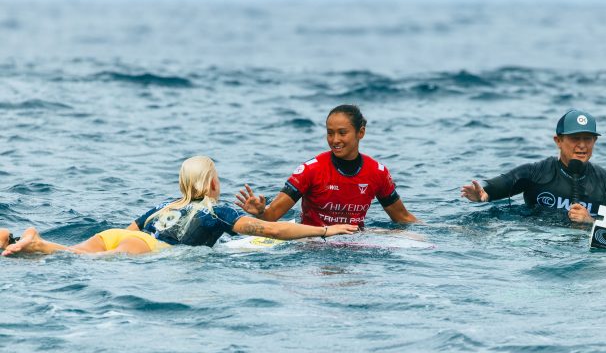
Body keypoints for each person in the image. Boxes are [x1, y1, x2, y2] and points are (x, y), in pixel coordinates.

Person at [1, 156, 358, 256]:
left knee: (69, 254)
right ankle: (33, 243)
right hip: (150, 247)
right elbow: (272, 229)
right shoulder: (217, 210)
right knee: (89, 262)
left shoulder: (160, 206)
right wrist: (326, 230)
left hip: (116, 234)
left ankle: (20, 241)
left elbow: (127, 232)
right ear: (212, 183)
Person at [236, 104, 419, 228]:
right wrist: (260, 212)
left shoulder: (377, 172)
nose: (335, 140)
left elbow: (402, 218)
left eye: (342, 133)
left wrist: (438, 232)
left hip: (355, 242)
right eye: (330, 133)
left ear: (360, 133)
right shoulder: (311, 170)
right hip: (312, 242)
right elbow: (272, 216)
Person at [461, 109, 606, 223]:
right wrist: (484, 194)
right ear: (558, 141)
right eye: (575, 138)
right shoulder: (537, 172)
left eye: (588, 139)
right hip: (539, 244)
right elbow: (502, 183)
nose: (582, 145)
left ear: (594, 141)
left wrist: (591, 222)